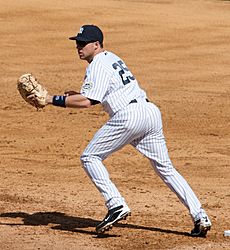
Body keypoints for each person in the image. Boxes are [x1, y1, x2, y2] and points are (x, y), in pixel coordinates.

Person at [45, 24, 211, 236]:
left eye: (83, 43)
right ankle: (200, 215)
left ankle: (116, 204)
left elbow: (87, 102)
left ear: (96, 45)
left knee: (90, 157)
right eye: (77, 43)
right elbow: (100, 94)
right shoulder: (112, 58)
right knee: (166, 168)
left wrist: (51, 99)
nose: (78, 47)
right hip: (149, 112)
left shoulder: (96, 64)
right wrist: (72, 96)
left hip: (129, 117)